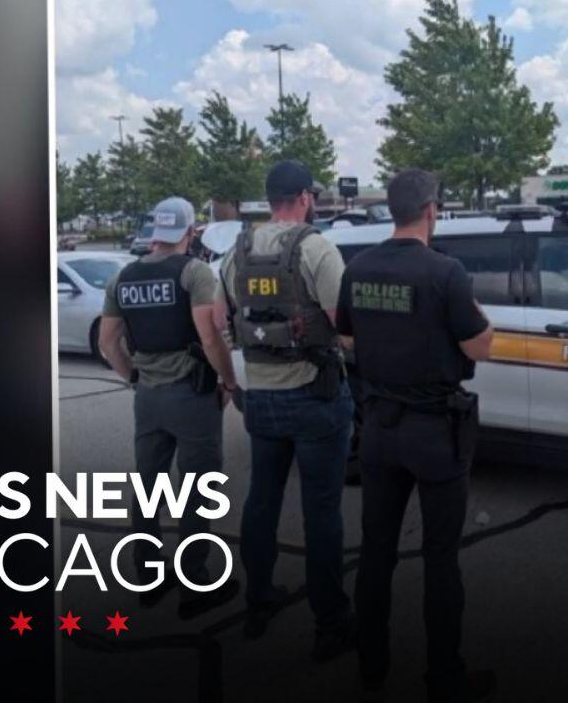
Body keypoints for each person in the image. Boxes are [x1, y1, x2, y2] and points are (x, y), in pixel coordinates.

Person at [337, 169, 497, 703]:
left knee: (376, 552)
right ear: (431, 211)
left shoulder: (358, 268)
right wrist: (480, 319)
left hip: (379, 430)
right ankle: (444, 678)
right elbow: (478, 347)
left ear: (392, 210)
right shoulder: (446, 272)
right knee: (440, 559)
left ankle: (371, 666)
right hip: (435, 435)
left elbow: (345, 338)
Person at [213, 160, 355, 661]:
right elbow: (344, 325)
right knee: (322, 512)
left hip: (262, 396)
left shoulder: (237, 252)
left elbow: (221, 317)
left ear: (270, 199)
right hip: (315, 394)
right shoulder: (316, 248)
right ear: (305, 197)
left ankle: (258, 601)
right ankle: (330, 623)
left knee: (262, 501)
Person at [98, 196, 241, 618]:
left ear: (154, 231)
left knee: (148, 488)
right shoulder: (193, 272)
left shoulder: (122, 277)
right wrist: (228, 381)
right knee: (196, 491)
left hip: (148, 398)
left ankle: (148, 577)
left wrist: (133, 377)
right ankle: (195, 585)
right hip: (191, 396)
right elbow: (209, 336)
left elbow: (108, 343)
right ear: (191, 232)